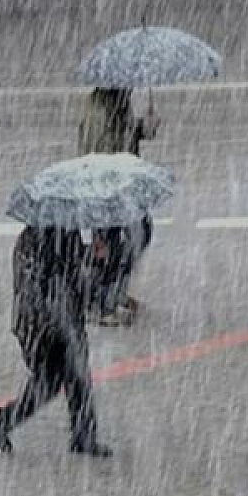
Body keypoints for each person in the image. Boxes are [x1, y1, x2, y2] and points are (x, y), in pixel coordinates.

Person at [0, 225, 112, 458]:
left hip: (45, 321)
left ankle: (81, 434)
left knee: (66, 378)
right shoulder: (52, 240)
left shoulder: (45, 236)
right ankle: (4, 420)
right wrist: (95, 259)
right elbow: (73, 285)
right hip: (49, 323)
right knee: (63, 378)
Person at [78, 87, 158, 325]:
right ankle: (99, 302)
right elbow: (102, 153)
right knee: (113, 242)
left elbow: (123, 135)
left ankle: (111, 292)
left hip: (120, 185)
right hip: (108, 189)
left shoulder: (117, 101)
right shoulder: (102, 110)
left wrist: (143, 128)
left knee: (136, 233)